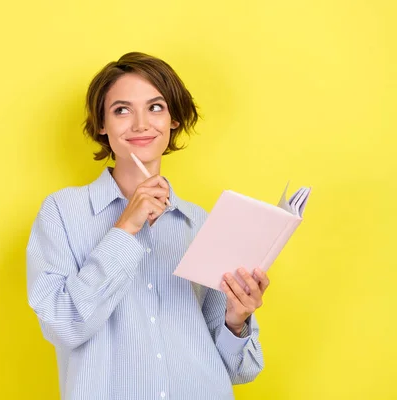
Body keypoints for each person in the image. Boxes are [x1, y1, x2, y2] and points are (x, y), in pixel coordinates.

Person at [26, 52, 270, 400]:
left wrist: (237, 319)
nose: (141, 124)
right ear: (101, 124)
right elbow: (62, 325)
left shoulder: (199, 222)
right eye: (122, 110)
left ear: (173, 119)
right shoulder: (62, 212)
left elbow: (240, 371)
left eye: (155, 107)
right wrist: (125, 227)